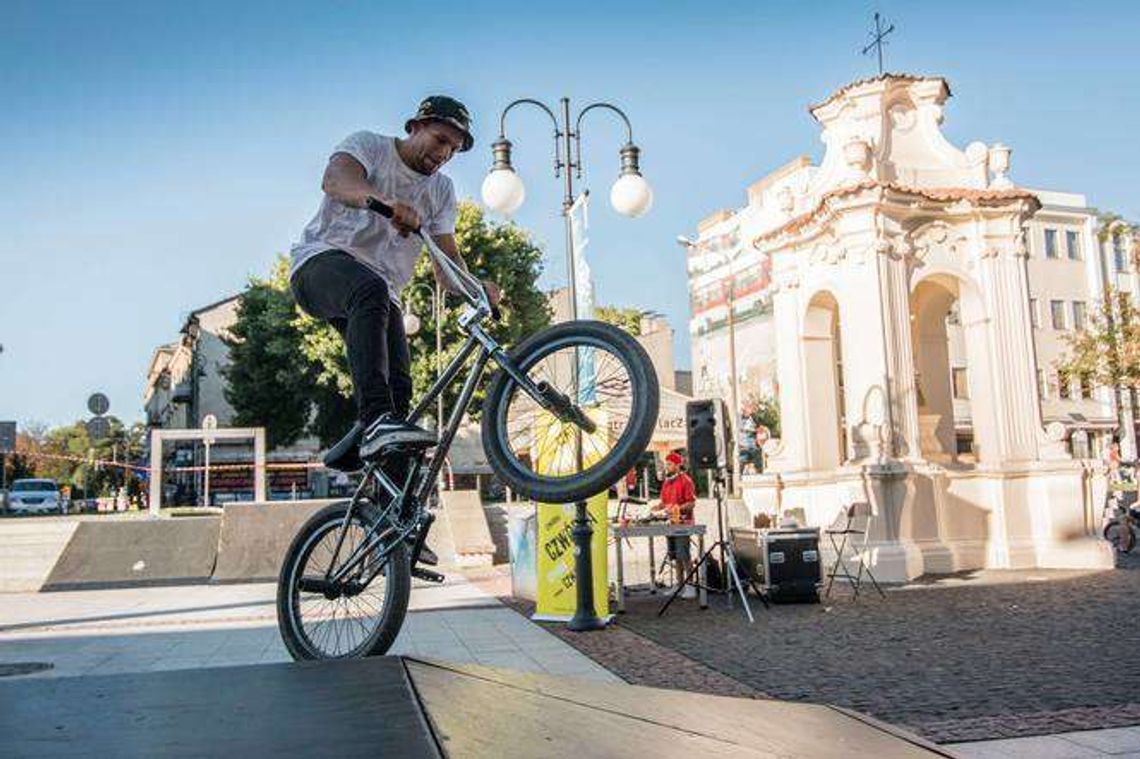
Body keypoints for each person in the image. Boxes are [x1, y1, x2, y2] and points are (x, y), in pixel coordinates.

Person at [289, 95, 501, 465]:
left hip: (382, 295)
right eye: (440, 140)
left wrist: (476, 289)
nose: (444, 154)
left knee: (400, 393)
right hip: (319, 265)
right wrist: (385, 205)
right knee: (368, 290)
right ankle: (374, 423)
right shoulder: (369, 145)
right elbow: (336, 180)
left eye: (453, 149)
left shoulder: (441, 191)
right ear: (415, 126)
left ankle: (390, 506)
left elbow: (447, 267)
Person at [650, 451, 697, 599]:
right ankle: (679, 584)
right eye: (666, 464)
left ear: (678, 465)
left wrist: (677, 508)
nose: (667, 467)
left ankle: (690, 586)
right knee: (675, 556)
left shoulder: (686, 481)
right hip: (669, 524)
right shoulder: (666, 482)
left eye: (669, 464)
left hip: (683, 524)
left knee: (684, 555)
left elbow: (692, 503)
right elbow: (663, 503)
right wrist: (655, 508)